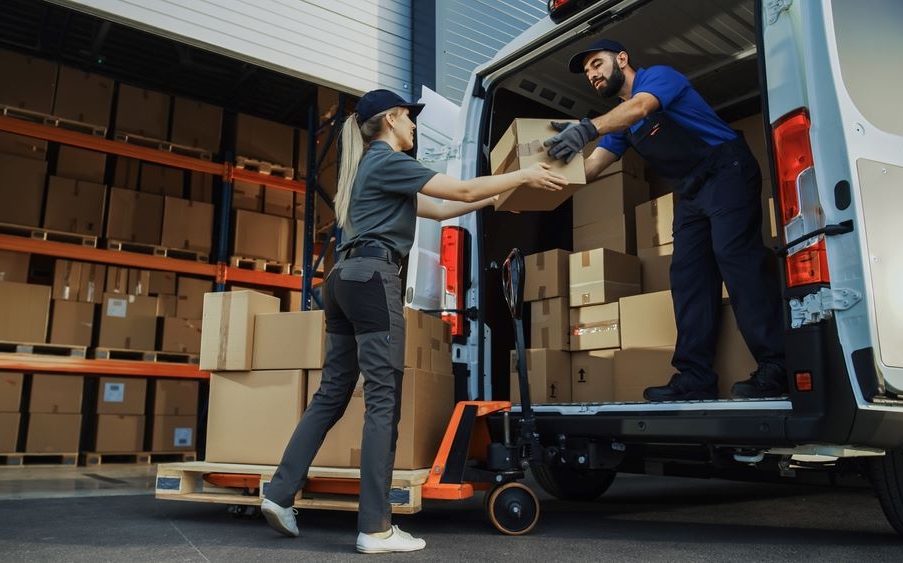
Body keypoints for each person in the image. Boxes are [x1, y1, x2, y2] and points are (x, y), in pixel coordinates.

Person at [260, 89, 567, 553]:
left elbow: (445, 208)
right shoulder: (386, 160)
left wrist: (500, 194)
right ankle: (375, 528)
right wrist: (524, 172)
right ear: (390, 120)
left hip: (343, 279)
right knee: (383, 401)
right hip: (372, 280)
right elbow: (459, 189)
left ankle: (279, 494)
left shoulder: (369, 170)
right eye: (410, 119)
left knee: (332, 393)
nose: (415, 128)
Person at [545, 39, 786, 402]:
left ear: (622, 59)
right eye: (587, 72)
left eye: (597, 64)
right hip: (690, 192)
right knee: (688, 276)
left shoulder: (657, 79)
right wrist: (537, 186)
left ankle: (776, 365)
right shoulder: (619, 122)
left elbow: (641, 108)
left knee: (736, 259)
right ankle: (695, 377)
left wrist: (586, 129)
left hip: (726, 171)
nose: (592, 74)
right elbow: (592, 166)